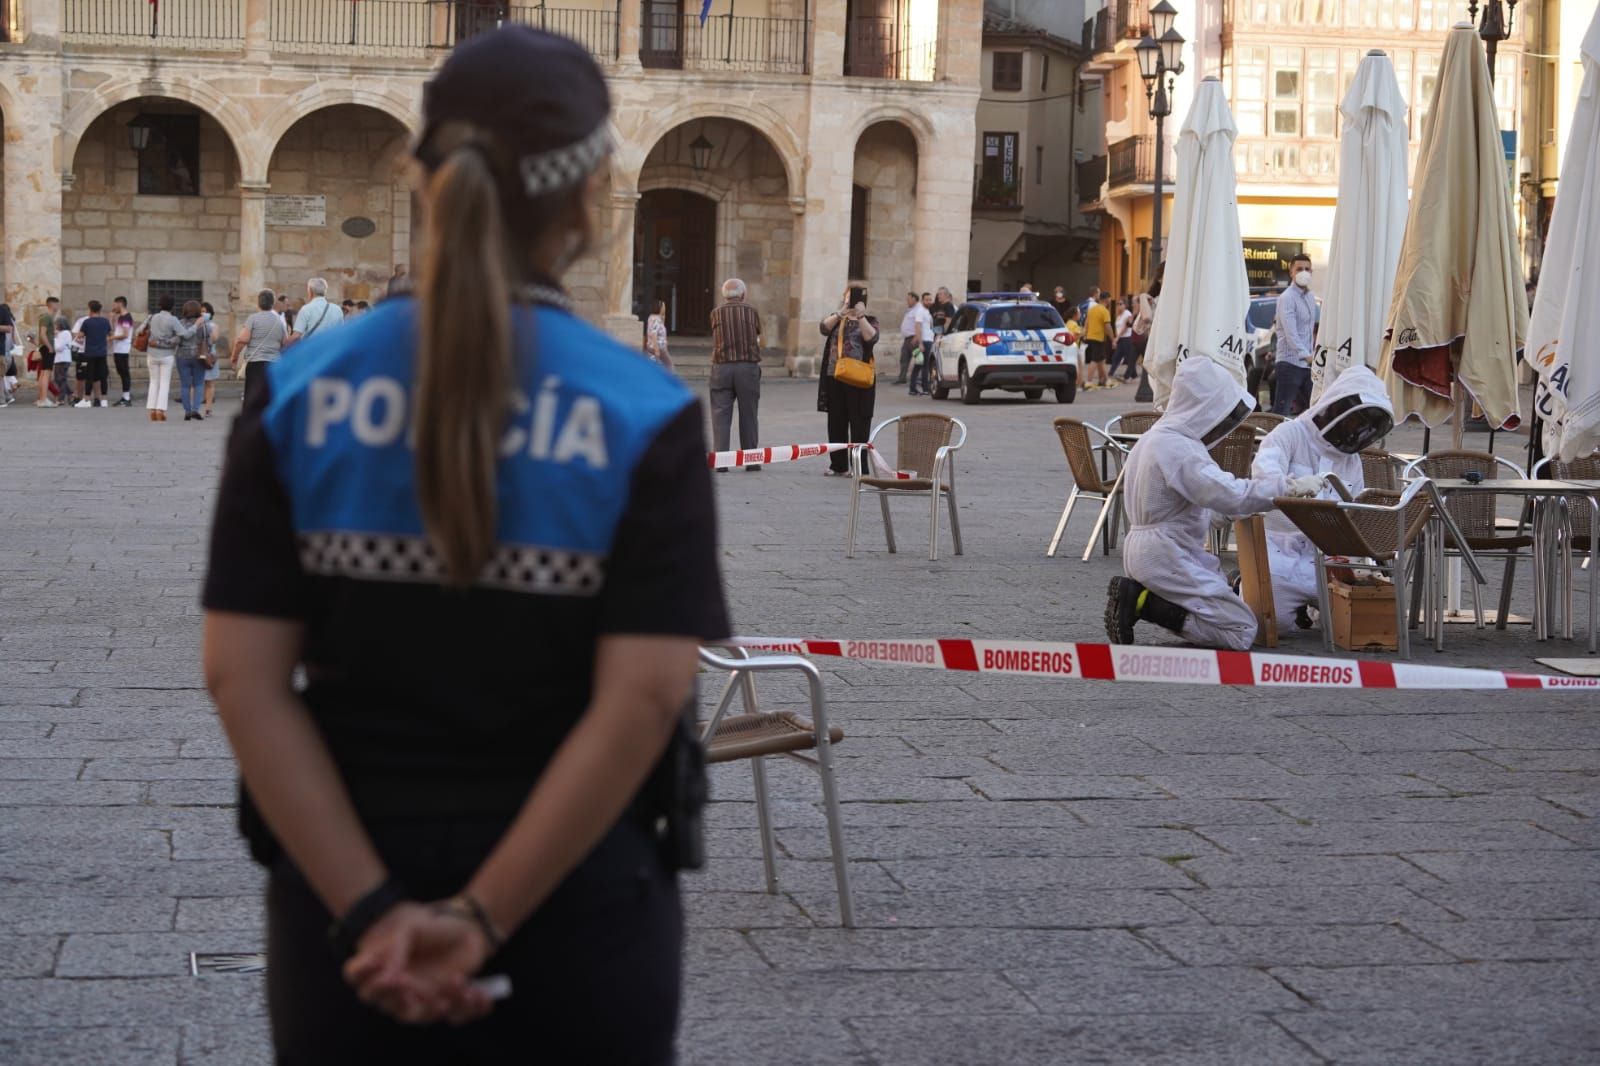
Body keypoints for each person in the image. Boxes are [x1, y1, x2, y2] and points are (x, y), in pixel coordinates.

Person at [200, 27, 727, 1063]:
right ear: (588, 199)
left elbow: (242, 679)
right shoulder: (640, 410)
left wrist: (373, 912)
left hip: (342, 907)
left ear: (420, 175)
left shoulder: (297, 395)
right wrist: (478, 920)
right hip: (578, 909)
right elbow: (644, 698)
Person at [1105, 357, 1322, 650]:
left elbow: (1194, 503)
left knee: (1227, 610)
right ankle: (1144, 603)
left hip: (1153, 548)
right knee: (1241, 630)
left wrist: (1231, 512)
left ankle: (1147, 598)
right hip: (1167, 553)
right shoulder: (1178, 447)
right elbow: (1229, 494)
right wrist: (1288, 487)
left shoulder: (1154, 438)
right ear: (1204, 408)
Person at [1253, 365, 1395, 629]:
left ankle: (1310, 611)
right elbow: (1263, 477)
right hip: (1278, 550)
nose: (1358, 430)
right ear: (1336, 408)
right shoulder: (1289, 434)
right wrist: (1291, 487)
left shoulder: (1351, 461)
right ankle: (1245, 584)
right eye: (1356, 421)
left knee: (1353, 623)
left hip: (1329, 558)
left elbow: (1355, 511)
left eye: (1366, 426)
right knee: (1273, 624)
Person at [818, 283, 878, 477]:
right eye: (848, 297)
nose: (850, 301)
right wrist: (841, 312)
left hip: (859, 378)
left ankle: (860, 467)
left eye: (854, 298)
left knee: (859, 423)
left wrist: (859, 316)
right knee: (836, 422)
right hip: (835, 376)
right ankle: (839, 465)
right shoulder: (837, 318)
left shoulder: (870, 320)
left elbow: (872, 337)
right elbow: (823, 328)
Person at [707, 277, 763, 472]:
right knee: (748, 413)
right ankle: (751, 459)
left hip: (721, 367)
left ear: (724, 295)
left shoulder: (716, 313)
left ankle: (722, 461)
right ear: (743, 294)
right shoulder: (751, 311)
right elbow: (757, 333)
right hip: (747, 367)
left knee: (720, 414)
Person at [1272, 253, 1316, 416]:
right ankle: (1273, 441)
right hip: (1290, 363)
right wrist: (1305, 355)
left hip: (1307, 365)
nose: (1303, 272)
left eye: (1307, 269)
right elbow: (1291, 333)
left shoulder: (1310, 297)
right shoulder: (1287, 298)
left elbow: (1310, 331)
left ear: (1311, 272)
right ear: (1291, 272)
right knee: (1281, 411)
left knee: (1314, 410)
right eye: (1299, 269)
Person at [232, 289, 288, 405]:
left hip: (255, 363)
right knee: (270, 397)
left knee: (252, 397)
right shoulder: (280, 321)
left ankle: (251, 420)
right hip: (273, 363)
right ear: (273, 303)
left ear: (258, 303)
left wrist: (234, 357)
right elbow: (285, 343)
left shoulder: (253, 318)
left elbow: (242, 340)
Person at [145, 293, 193, 422]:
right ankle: (161, 410)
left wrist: (154, 338)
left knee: (154, 382)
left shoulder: (151, 317)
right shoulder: (173, 320)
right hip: (167, 355)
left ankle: (152, 410)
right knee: (164, 383)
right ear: (172, 306)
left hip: (152, 353)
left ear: (159, 305)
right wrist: (196, 326)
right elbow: (185, 334)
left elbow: (139, 331)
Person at [173, 299, 210, 421]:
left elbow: (177, 339)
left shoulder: (180, 323)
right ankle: (196, 410)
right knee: (199, 383)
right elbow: (208, 340)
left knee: (185, 385)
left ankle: (187, 411)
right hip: (199, 356)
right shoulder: (204, 324)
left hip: (182, 355)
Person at [73, 300, 114, 408]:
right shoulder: (105, 321)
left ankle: (86, 399)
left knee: (89, 376)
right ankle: (104, 400)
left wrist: (78, 334)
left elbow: (80, 335)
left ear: (90, 309)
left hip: (90, 353)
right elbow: (110, 334)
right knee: (102, 376)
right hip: (102, 352)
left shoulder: (87, 322)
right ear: (100, 310)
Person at [896, 291, 932, 393]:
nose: (907, 301)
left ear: (914, 299)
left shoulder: (919, 310)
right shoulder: (917, 310)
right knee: (915, 362)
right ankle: (914, 385)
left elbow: (918, 325)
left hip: (915, 339)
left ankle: (916, 386)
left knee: (920, 362)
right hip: (913, 339)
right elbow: (917, 324)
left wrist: (917, 337)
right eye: (927, 300)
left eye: (909, 299)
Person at [289, 278, 344, 344]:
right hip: (331, 350)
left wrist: (284, 346)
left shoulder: (306, 309)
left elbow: (296, 336)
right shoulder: (337, 309)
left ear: (310, 292)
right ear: (325, 292)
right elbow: (341, 333)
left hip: (312, 351)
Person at [1081, 293, 1113, 390]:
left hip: (1091, 337)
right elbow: (1108, 327)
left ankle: (1105, 380)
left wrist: (1085, 335)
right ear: (1107, 299)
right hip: (1099, 338)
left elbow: (1086, 323)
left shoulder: (1092, 309)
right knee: (1095, 360)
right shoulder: (1104, 311)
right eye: (1110, 299)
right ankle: (1089, 382)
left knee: (1101, 360)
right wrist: (1113, 338)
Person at [34, 296, 60, 406]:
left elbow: (45, 333)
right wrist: (49, 346)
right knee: (46, 373)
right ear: (52, 305)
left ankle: (41, 398)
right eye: (57, 304)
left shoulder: (46, 317)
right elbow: (42, 334)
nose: (58, 307)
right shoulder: (47, 317)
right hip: (47, 347)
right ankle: (43, 399)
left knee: (43, 373)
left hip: (44, 347)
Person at [111, 297, 135, 406]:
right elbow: (115, 331)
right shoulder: (120, 317)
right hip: (118, 349)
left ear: (120, 304)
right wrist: (111, 320)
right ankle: (125, 396)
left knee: (124, 372)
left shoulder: (126, 317)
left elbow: (125, 334)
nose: (113, 307)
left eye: (115, 304)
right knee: (121, 372)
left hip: (123, 349)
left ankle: (126, 398)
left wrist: (110, 338)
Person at [199, 301, 221, 417]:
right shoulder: (196, 324)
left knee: (210, 383)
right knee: (196, 382)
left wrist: (206, 327)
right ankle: (194, 408)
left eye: (205, 312)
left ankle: (208, 408)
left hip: (210, 356)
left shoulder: (213, 326)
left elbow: (213, 339)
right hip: (198, 355)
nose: (203, 314)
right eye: (201, 312)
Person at [643, 299, 674, 372]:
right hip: (657, 349)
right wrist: (656, 350)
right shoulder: (656, 319)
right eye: (663, 306)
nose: (664, 308)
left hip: (656, 348)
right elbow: (654, 334)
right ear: (659, 308)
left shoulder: (652, 317)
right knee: (668, 367)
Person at [52, 316, 74, 408]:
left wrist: (55, 338)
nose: (55, 326)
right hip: (59, 359)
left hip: (63, 359)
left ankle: (61, 399)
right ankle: (70, 394)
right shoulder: (61, 333)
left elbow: (58, 347)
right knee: (59, 378)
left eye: (56, 324)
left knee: (61, 379)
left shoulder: (65, 333)